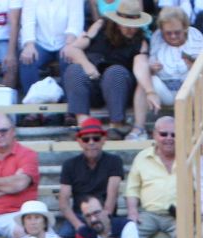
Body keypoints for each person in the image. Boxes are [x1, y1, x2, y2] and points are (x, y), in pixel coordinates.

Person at [62, 0, 155, 140]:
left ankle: (116, 125)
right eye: (126, 25)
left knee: (115, 72)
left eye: (134, 26)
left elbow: (140, 64)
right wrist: (87, 65)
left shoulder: (140, 41)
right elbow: (72, 49)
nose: (131, 29)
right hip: (93, 79)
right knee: (74, 70)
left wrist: (150, 91)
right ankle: (84, 123)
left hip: (120, 86)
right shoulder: (100, 26)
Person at [58, 118, 125, 238]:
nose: (91, 142)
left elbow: (112, 197)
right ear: (79, 141)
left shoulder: (114, 161)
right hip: (79, 216)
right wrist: (78, 225)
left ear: (103, 140)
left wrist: (103, 219)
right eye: (86, 139)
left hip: (106, 215)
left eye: (96, 138)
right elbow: (63, 202)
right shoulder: (69, 165)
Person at [18, 0, 83, 118]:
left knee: (69, 59)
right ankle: (32, 110)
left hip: (67, 42)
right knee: (27, 59)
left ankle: (70, 109)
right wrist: (29, 44)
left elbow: (75, 23)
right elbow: (28, 21)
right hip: (40, 42)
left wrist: (69, 44)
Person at [125, 117, 177, 238]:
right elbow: (132, 188)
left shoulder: (189, 157)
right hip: (149, 215)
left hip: (178, 215)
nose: (169, 138)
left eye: (174, 134)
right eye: (163, 134)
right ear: (154, 135)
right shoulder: (142, 157)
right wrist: (132, 211)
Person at [149, 7, 203, 106]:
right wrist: (152, 68)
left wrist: (194, 67)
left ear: (185, 28)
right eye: (168, 33)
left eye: (177, 32)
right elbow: (150, 65)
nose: (173, 36)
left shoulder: (195, 36)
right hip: (164, 91)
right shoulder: (156, 37)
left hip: (189, 91)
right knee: (148, 80)